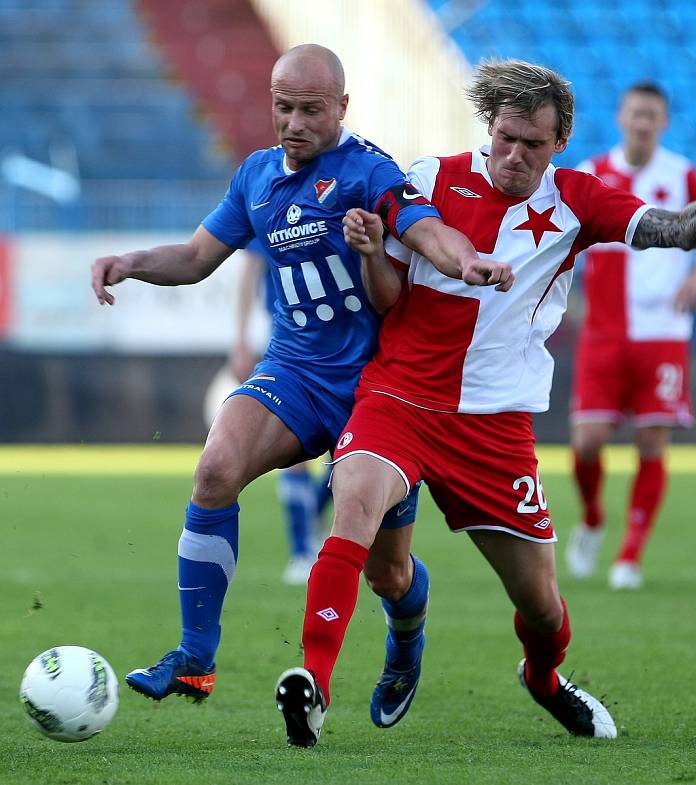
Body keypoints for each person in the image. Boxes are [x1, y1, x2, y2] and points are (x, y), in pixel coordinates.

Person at [274, 58, 696, 747]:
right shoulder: (427, 180)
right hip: (398, 397)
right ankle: (313, 686)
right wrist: (370, 253)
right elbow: (388, 298)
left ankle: (544, 679)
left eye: (532, 144)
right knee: (361, 520)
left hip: (495, 426)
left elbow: (684, 230)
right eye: (505, 137)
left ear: (560, 142)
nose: (514, 155)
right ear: (489, 126)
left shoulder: (578, 200)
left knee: (542, 608)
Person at [90, 44, 511, 707]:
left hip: (380, 390)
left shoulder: (368, 171)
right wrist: (132, 260)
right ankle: (196, 657)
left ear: (342, 107)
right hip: (294, 373)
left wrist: (468, 261)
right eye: (283, 107)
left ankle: (406, 638)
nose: (293, 122)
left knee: (388, 571)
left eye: (310, 110)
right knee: (215, 467)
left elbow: (426, 229)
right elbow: (198, 257)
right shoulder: (256, 176)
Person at [565, 83, 696, 590]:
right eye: (636, 113)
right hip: (605, 332)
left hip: (662, 333)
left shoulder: (682, 175)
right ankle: (592, 519)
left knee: (651, 441)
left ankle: (629, 555)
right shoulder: (592, 174)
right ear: (620, 117)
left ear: (664, 122)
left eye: (652, 115)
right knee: (587, 443)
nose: (643, 122)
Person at [230, 239, 332, 585]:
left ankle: (313, 518)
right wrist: (241, 341)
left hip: (347, 338)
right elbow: (249, 270)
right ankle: (302, 550)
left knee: (350, 454)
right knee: (294, 445)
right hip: (291, 342)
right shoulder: (272, 193)